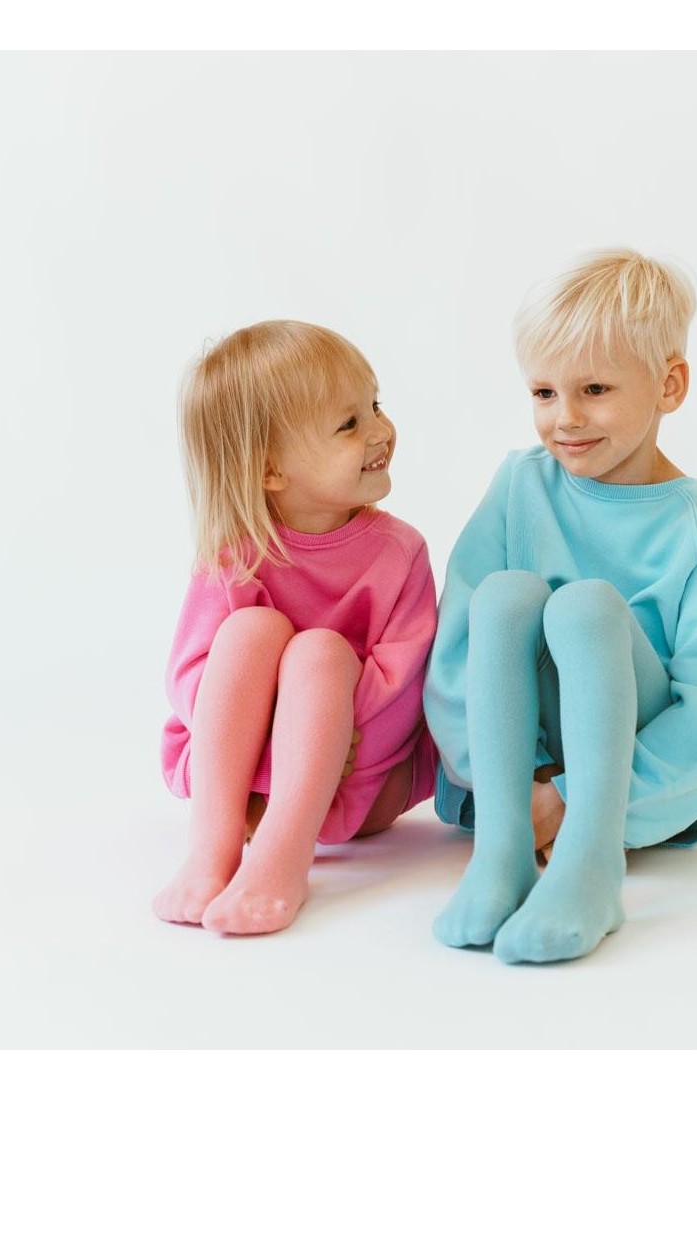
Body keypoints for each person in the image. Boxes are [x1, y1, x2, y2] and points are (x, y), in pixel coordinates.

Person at [423, 249, 697, 964]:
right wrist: (517, 794)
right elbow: (453, 654)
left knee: (585, 609)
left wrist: (573, 800)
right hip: (511, 788)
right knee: (505, 596)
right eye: (544, 392)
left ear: (669, 385)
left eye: (595, 389)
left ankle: (591, 865)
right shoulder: (518, 484)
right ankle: (501, 854)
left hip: (639, 799)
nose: (565, 418)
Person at [154, 320, 437, 935]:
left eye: (375, 406)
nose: (380, 430)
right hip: (242, 785)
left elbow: (406, 687)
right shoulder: (235, 555)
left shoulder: (400, 551)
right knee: (251, 631)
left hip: (353, 782)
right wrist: (272, 732)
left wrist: (326, 728)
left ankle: (283, 858)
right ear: (271, 470)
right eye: (349, 424)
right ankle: (213, 848)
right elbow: (191, 677)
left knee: (321, 653)